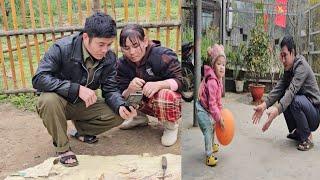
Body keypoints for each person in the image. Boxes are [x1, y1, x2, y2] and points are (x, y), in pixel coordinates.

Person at [32, 12, 137, 167]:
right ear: (86, 37)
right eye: (101, 44)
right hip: (58, 103)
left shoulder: (109, 57)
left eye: (109, 45)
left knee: (118, 114)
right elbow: (39, 79)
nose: (105, 50)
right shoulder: (62, 48)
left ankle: (81, 131)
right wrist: (75, 89)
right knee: (48, 99)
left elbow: (110, 89)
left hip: (82, 105)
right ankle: (63, 148)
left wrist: (120, 105)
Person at [116, 24, 182, 147]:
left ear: (145, 41)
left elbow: (182, 81)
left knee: (165, 94)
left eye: (136, 45)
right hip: (144, 101)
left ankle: (171, 126)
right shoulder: (121, 64)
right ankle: (138, 117)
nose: (132, 52)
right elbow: (119, 91)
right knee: (123, 94)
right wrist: (130, 89)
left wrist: (160, 84)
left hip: (165, 102)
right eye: (126, 48)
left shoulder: (163, 55)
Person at [252, 35, 320, 151]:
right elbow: (279, 88)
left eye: (285, 55)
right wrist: (264, 106)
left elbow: (292, 90)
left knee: (293, 100)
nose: (283, 60)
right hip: (305, 107)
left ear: (292, 52)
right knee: (283, 97)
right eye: (281, 56)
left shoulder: (301, 66)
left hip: (314, 113)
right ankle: (298, 131)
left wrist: (277, 110)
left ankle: (307, 137)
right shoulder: (289, 68)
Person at [196, 44, 226, 166]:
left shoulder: (219, 81)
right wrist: (219, 118)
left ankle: (212, 145)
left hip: (207, 109)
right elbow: (212, 104)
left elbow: (218, 102)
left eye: (223, 64)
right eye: (219, 64)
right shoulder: (213, 82)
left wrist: (221, 112)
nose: (222, 67)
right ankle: (209, 155)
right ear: (213, 65)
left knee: (213, 126)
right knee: (208, 129)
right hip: (202, 110)